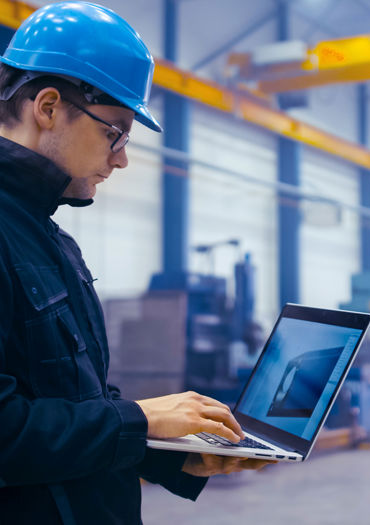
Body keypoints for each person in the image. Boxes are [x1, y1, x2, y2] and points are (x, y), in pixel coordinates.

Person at [0, 2, 272, 524]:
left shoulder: (51, 240)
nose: (121, 157)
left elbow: (78, 403)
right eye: (115, 132)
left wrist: (176, 455)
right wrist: (141, 419)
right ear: (49, 107)